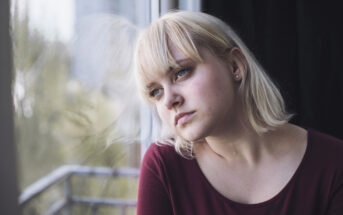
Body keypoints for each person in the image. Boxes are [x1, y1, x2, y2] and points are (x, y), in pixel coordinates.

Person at [134, 11, 343, 215]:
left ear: (235, 65)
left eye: (181, 72)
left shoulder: (333, 163)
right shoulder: (164, 166)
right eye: (156, 92)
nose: (169, 100)